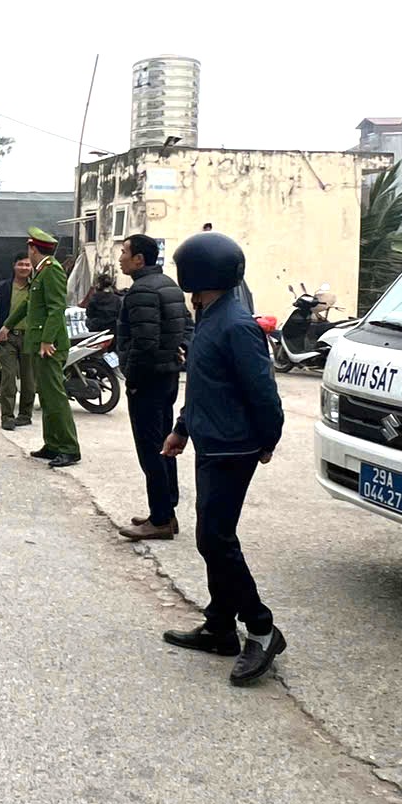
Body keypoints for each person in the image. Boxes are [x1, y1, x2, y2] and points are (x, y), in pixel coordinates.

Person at [161, 230, 286, 684]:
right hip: (212, 441)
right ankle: (219, 628)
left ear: (199, 271)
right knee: (210, 535)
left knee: (215, 539)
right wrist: (181, 429)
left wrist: (268, 439)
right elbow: (203, 387)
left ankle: (261, 627)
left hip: (234, 447)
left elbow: (263, 391)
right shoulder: (211, 316)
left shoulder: (235, 324)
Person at [114, 234, 193, 541]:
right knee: (165, 445)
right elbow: (187, 326)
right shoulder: (169, 285)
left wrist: (131, 377)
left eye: (124, 253)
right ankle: (166, 511)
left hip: (147, 379)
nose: (120, 258)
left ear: (139, 260)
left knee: (151, 451)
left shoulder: (142, 291)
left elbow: (143, 344)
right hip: (168, 376)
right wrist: (180, 349)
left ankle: (160, 518)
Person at [16, 228, 79, 467]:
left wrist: (46, 340)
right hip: (39, 343)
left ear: (33, 249)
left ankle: (69, 448)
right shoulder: (41, 271)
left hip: (49, 346)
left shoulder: (52, 271)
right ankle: (52, 444)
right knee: (47, 397)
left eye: (28, 249)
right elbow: (31, 305)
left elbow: (56, 308)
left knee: (55, 397)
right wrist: (8, 325)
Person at [0, 256, 35, 429]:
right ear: (14, 266)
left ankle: (25, 414)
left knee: (29, 379)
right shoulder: (4, 287)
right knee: (8, 378)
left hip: (29, 338)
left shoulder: (35, 288)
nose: (24, 267)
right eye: (20, 264)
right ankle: (7, 416)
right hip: (7, 338)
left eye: (27, 264)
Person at [85, 268, 122, 334]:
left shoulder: (94, 298)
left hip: (97, 329)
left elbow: (89, 313)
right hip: (113, 328)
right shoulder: (117, 298)